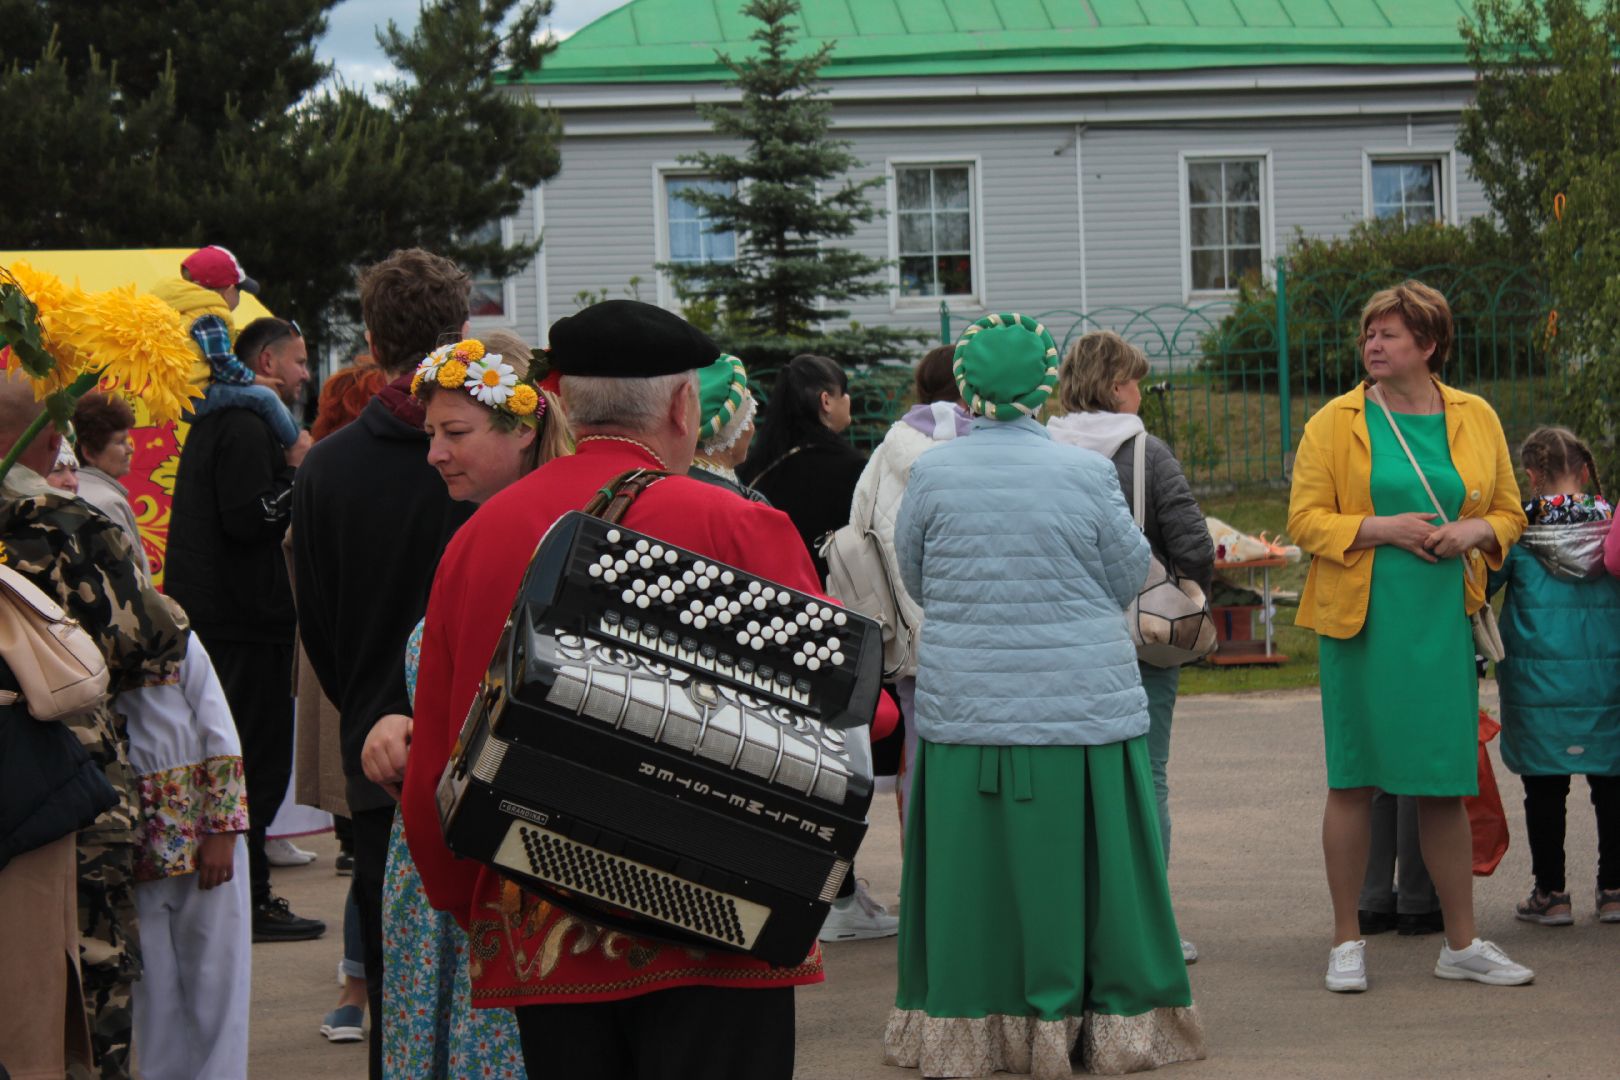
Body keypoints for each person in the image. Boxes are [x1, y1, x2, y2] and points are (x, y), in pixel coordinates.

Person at [402, 300, 835, 1080]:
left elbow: (439, 748)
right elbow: (840, 718)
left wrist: (467, 894)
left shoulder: (480, 535)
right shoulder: (739, 523)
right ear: (682, 405)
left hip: (541, 918)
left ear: (561, 400)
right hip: (723, 925)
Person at [883, 313, 1204, 1079]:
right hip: (1082, 707)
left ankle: (976, 1025)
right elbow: (1132, 575)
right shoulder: (1084, 472)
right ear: (1041, 386)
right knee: (1089, 875)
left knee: (977, 879)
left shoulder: (931, 472)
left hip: (971, 707)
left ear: (965, 387)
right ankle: (1102, 1024)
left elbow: (918, 578)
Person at [1287, 279, 1532, 992]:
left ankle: (1461, 943)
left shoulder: (1475, 416)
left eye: (1389, 334)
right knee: (1354, 779)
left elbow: (1512, 513)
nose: (1373, 344)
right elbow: (1304, 520)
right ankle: (1345, 941)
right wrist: (1377, 528)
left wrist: (1476, 530)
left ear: (1428, 344)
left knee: (1442, 784)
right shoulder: (1335, 421)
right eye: (1369, 333)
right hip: (1362, 622)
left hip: (1440, 622)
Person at [291, 248, 476, 1079]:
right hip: (487, 739)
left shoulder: (328, 466)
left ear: (369, 339)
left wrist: (366, 704)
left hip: (377, 750)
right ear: (462, 333)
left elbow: (317, 620)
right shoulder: (501, 453)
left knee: (395, 972)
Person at [367, 331, 566, 1078]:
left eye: (456, 434)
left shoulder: (554, 538)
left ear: (524, 427)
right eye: (431, 436)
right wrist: (395, 721)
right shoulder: (469, 528)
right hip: (437, 849)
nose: (435, 454)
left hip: (506, 858)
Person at [0, 370, 190, 1079]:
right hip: (72, 782)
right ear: (51, 441)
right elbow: (148, 640)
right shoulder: (67, 523)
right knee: (93, 978)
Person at [1046, 329, 1214, 965]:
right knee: (1149, 777)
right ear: (1117, 386)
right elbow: (1192, 542)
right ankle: (1148, 924)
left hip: (1063, 641)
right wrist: (1188, 598)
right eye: (1135, 380)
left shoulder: (1047, 449)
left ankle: (1079, 919)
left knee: (1074, 780)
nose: (1139, 391)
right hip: (1141, 640)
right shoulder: (1143, 451)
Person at [166, 315, 324, 945]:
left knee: (249, 762)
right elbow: (249, 517)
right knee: (250, 764)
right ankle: (249, 901)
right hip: (239, 623)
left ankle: (249, 897)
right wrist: (301, 473)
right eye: (300, 360)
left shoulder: (228, 420)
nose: (307, 374)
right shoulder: (242, 425)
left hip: (234, 621)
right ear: (265, 365)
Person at [291, 357, 391, 1044]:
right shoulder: (338, 472)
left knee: (368, 849)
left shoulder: (325, 468)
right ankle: (357, 983)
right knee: (371, 849)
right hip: (361, 688)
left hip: (349, 688)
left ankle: (356, 984)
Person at [1488, 426, 1620, 926]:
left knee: (1544, 788)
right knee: (1613, 784)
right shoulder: (1613, 525)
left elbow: (1485, 584)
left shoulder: (1518, 532)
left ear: (1530, 476)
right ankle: (1613, 890)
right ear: (1585, 470)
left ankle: (1552, 894)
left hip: (1538, 684)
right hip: (1608, 678)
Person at [847, 345, 970, 831]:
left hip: (908, 632)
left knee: (919, 753)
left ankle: (923, 881)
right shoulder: (987, 446)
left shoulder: (887, 450)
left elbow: (857, 531)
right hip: (978, 632)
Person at [121, 628, 252, 1080]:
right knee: (151, 989)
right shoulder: (84, 644)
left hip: (203, 835)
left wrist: (224, 828)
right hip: (131, 843)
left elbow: (220, 732)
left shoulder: (176, 640)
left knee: (217, 980)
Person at [151, 245, 305, 452]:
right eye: (239, 290)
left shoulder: (185, 310)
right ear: (229, 291)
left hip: (184, 395)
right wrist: (259, 380)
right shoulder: (210, 316)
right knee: (265, 396)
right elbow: (223, 364)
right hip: (196, 396)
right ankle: (297, 445)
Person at [739, 353, 866, 582]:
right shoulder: (851, 468)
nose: (848, 399)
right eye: (843, 392)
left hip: (771, 590)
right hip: (834, 598)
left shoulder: (757, 466)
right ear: (826, 401)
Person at [73, 392, 146, 575]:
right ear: (89, 452)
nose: (130, 449)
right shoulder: (108, 503)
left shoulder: (68, 489)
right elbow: (130, 575)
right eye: (120, 442)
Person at [689, 353, 767, 502]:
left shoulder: (666, 476)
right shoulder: (739, 502)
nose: (751, 429)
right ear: (729, 436)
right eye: (748, 420)